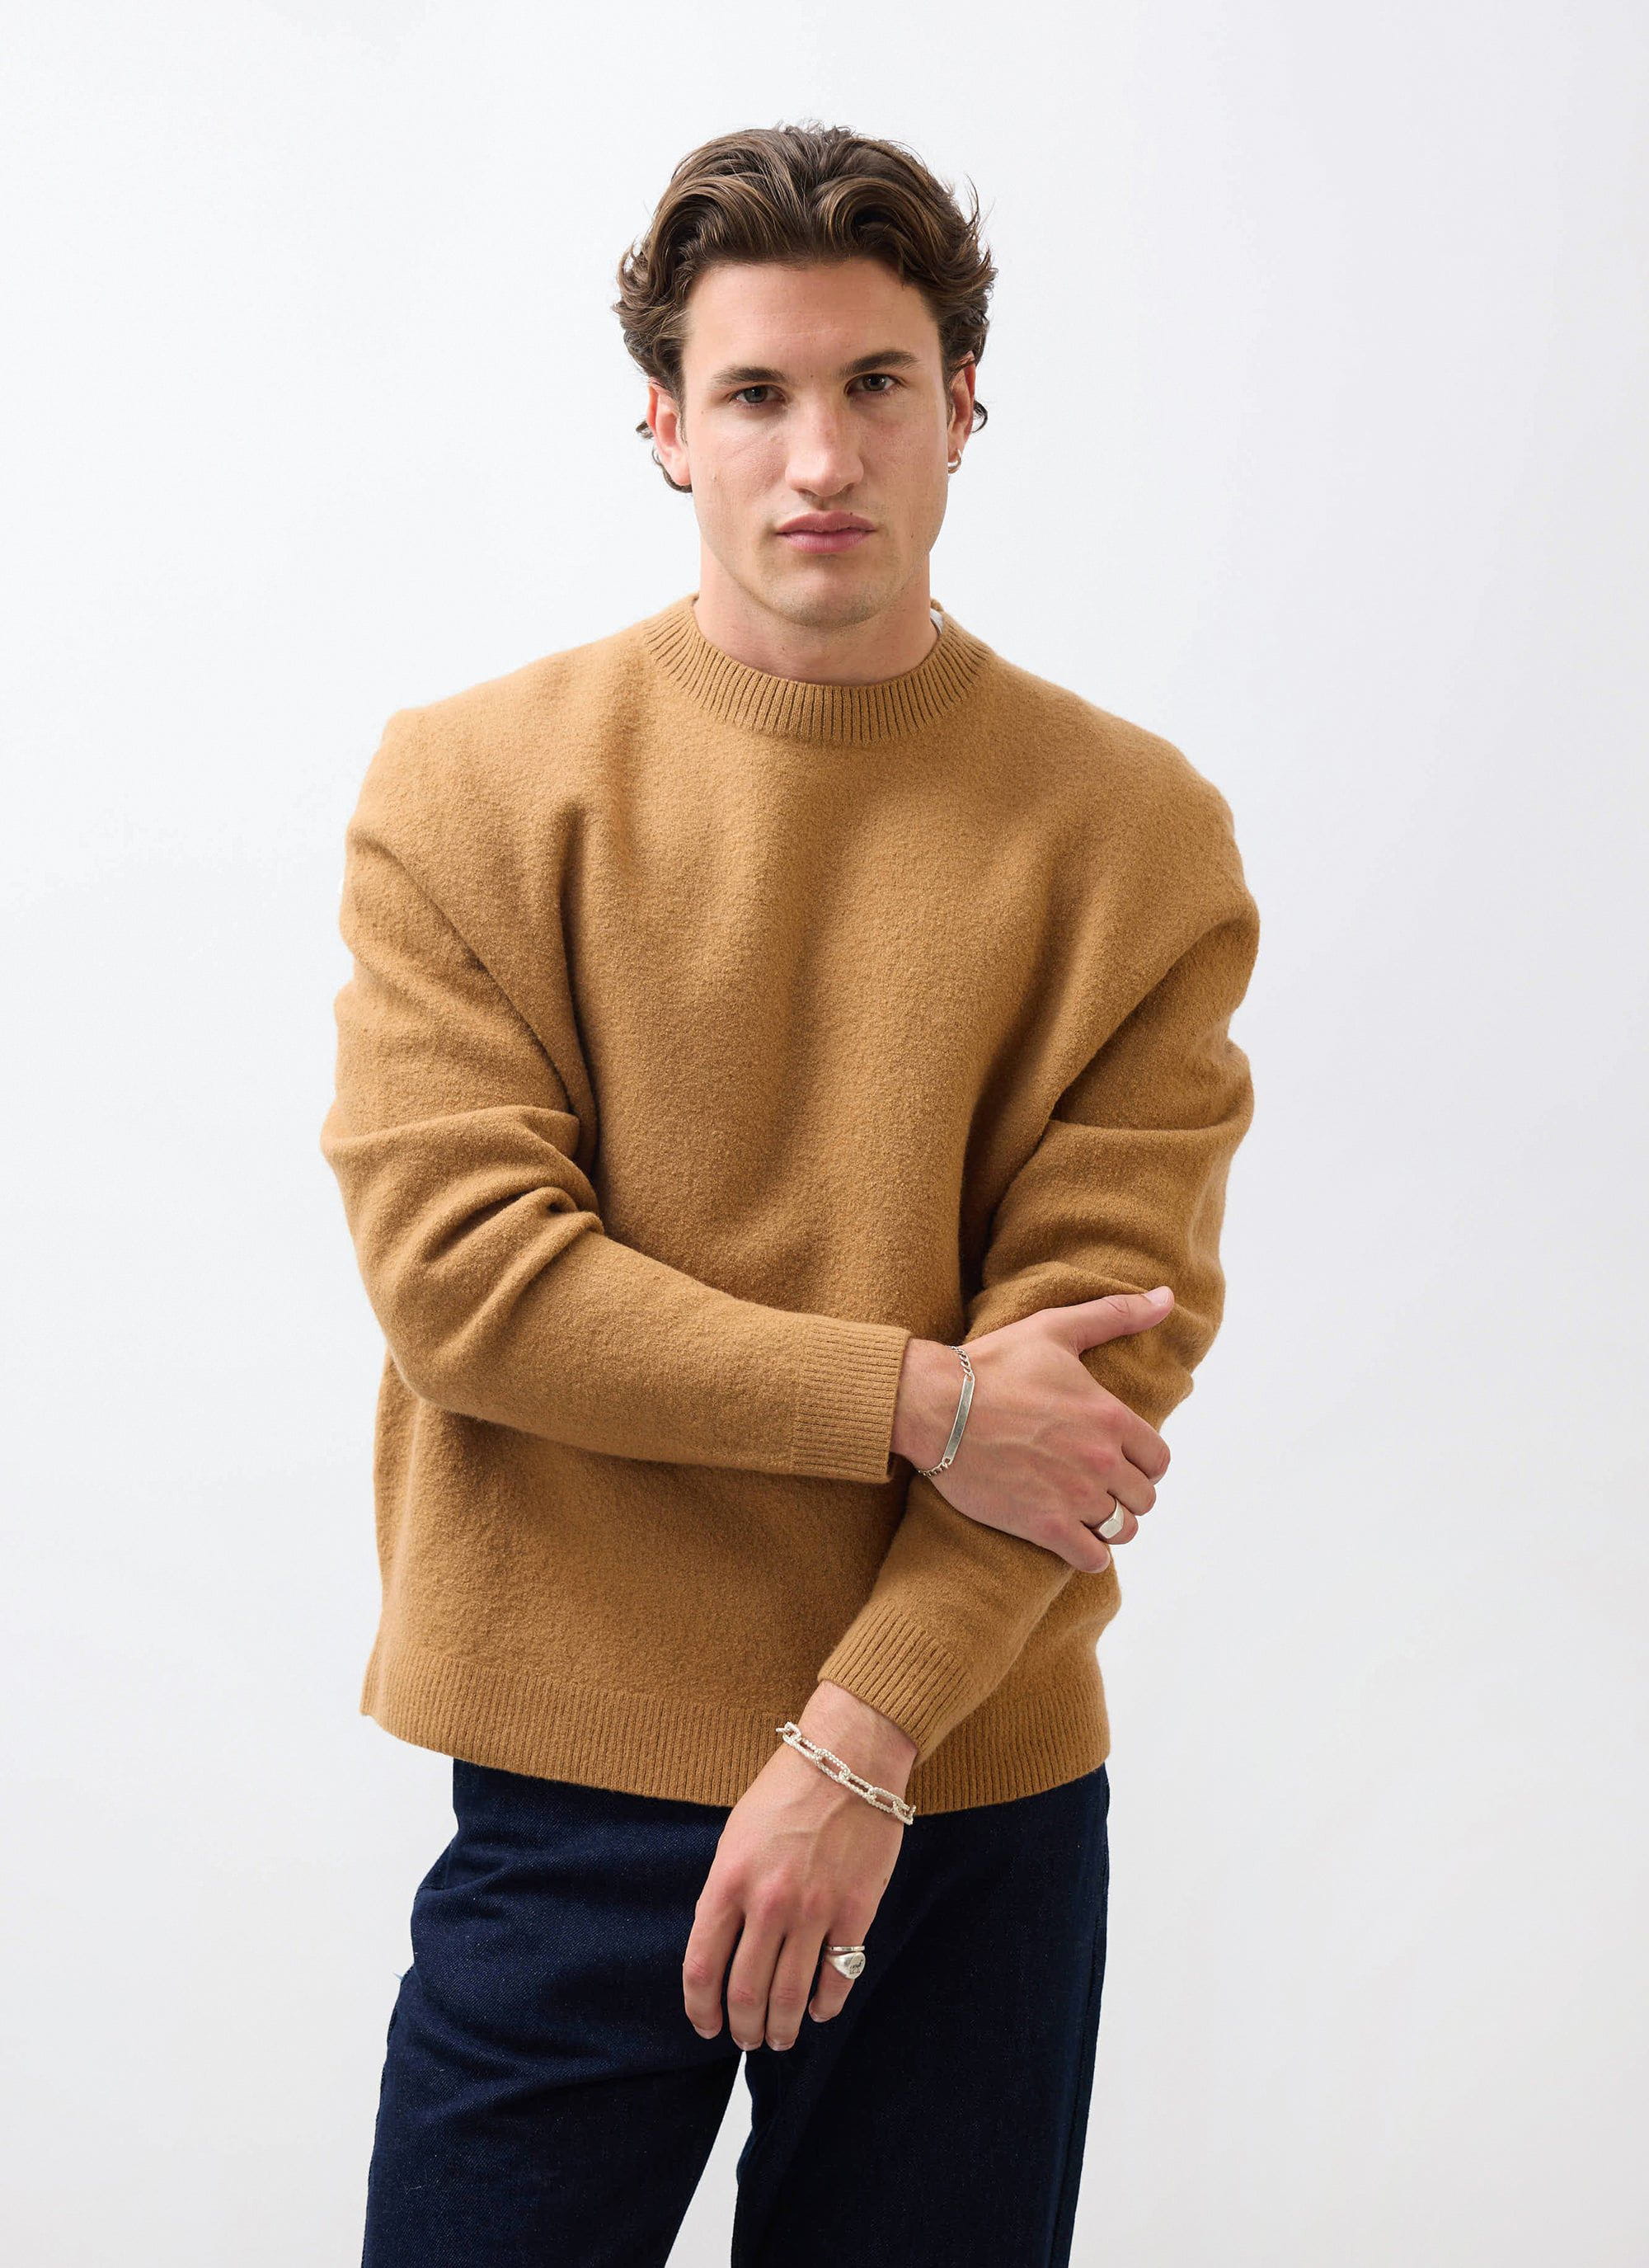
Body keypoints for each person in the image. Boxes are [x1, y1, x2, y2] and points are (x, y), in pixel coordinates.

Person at [320, 119, 1261, 2268]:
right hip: (570, 1791)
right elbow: (472, 1285)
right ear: (664, 425)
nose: (817, 453)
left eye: (876, 387)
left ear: (961, 419)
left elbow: (1098, 1370)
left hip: (962, 1790)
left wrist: (859, 1748)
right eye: (754, 392)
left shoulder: (1130, 835)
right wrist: (923, 1398)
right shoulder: (472, 788)